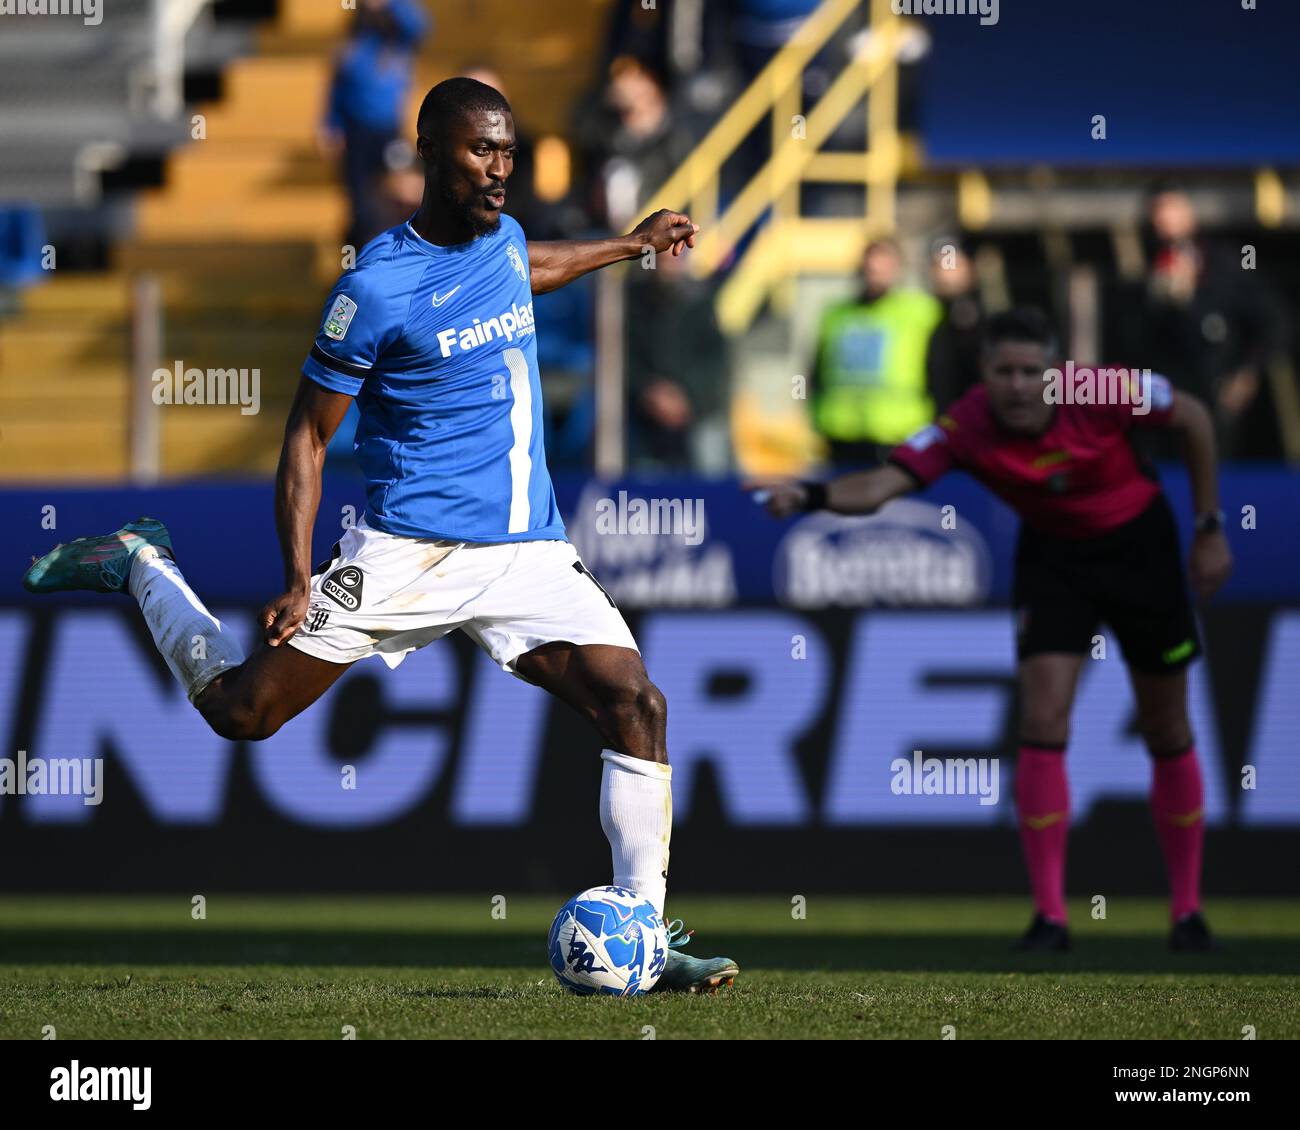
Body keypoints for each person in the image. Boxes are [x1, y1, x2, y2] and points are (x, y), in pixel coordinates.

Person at [24, 77, 737, 993]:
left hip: (525, 548)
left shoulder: (506, 241)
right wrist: (294, 572)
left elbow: (534, 266)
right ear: (432, 151)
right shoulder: (373, 288)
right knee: (244, 712)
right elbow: (307, 436)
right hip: (407, 552)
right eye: (483, 150)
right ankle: (141, 563)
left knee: (633, 702)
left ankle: (644, 931)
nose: (501, 168)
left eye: (510, 151)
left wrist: (632, 244)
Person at [748, 308, 1233, 952]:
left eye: (1032, 371)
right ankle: (1051, 917)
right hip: (1055, 558)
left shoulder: (1105, 389)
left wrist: (1209, 528)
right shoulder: (965, 424)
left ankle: (1187, 911)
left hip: (1140, 551)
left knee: (1166, 727)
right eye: (1004, 371)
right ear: (984, 374)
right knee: (1042, 721)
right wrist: (809, 497)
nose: (1018, 385)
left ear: (1057, 374)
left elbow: (1194, 416)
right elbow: (883, 486)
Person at [810, 237, 943, 468]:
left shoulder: (921, 312)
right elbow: (814, 371)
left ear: (898, 269)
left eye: (883, 267)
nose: (875, 274)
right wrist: (814, 414)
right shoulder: (836, 314)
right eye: (870, 268)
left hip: (899, 433)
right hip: (841, 434)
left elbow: (942, 371)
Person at [319, 0, 430, 249]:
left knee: (401, 191)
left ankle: (403, 248)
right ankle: (360, 256)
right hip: (356, 134)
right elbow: (336, 93)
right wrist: (330, 125)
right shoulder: (350, 50)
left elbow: (419, 24)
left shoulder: (400, 44)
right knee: (359, 201)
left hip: (390, 132)